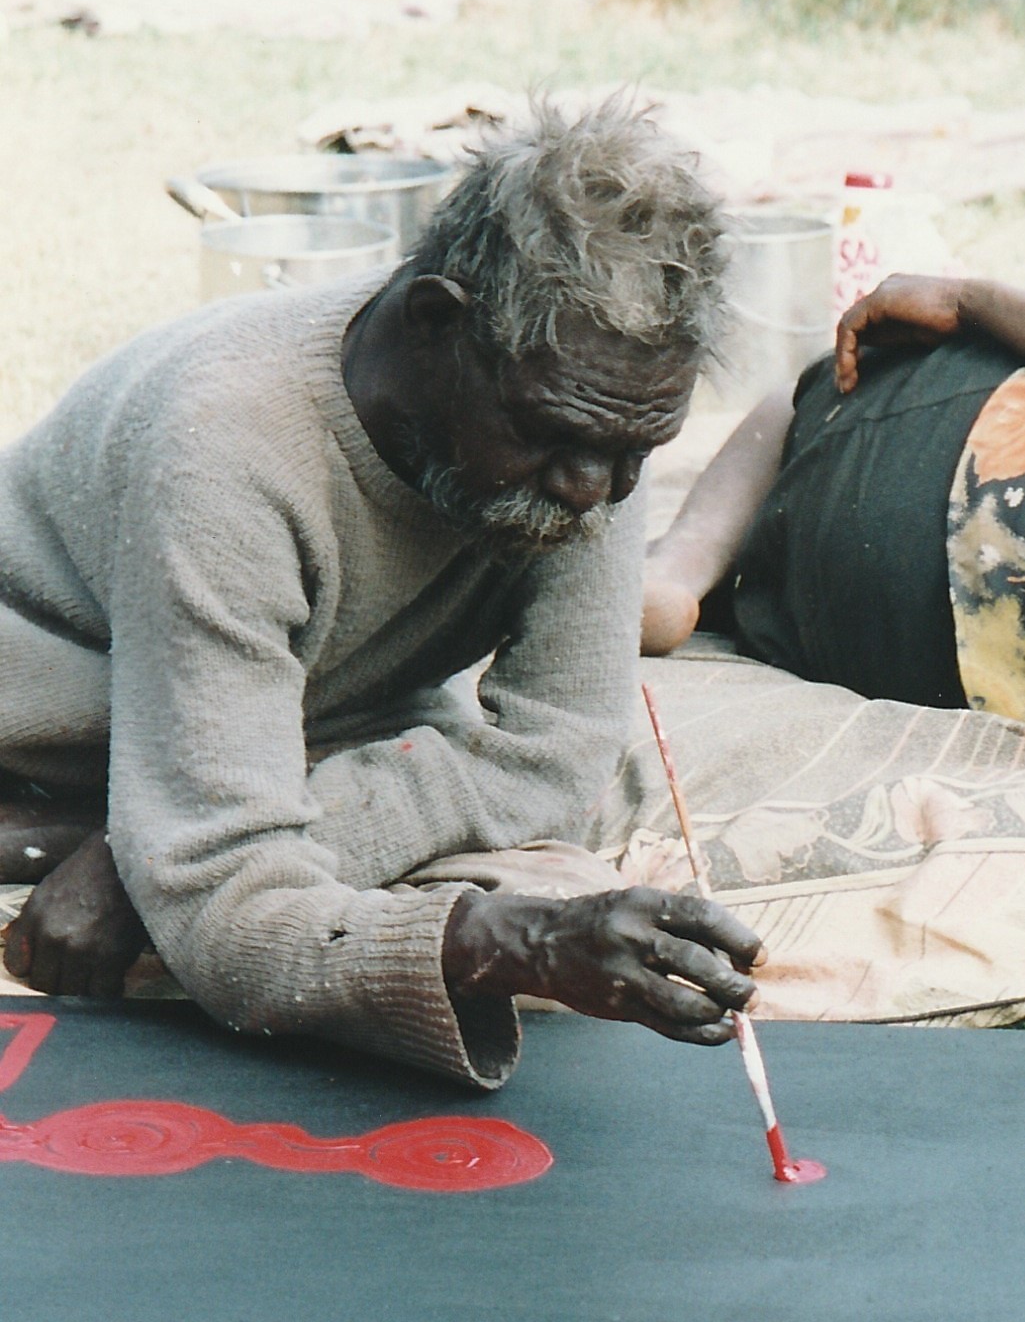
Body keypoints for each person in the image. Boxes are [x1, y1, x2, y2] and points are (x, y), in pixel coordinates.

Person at [0, 98, 765, 1089]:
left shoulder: (584, 398)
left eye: (633, 450)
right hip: (53, 732)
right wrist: (510, 943)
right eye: (552, 437)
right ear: (435, 323)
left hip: (293, 727)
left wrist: (157, 857)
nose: (591, 495)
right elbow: (228, 910)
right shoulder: (226, 447)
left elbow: (556, 757)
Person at [642, 273, 1025, 720]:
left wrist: (965, 300)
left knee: (793, 405)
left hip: (897, 454)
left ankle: (679, 563)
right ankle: (707, 582)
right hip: (937, 657)